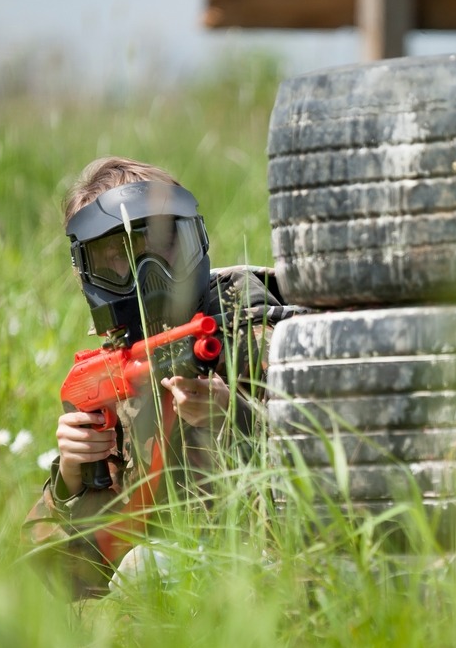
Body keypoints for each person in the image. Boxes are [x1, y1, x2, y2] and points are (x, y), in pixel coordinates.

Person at [24, 156, 291, 599]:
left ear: (192, 238)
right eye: (117, 261)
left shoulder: (262, 336)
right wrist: (71, 477)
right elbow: (61, 578)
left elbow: (342, 475)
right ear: (88, 273)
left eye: (160, 248)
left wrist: (237, 418)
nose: (148, 276)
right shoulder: (108, 377)